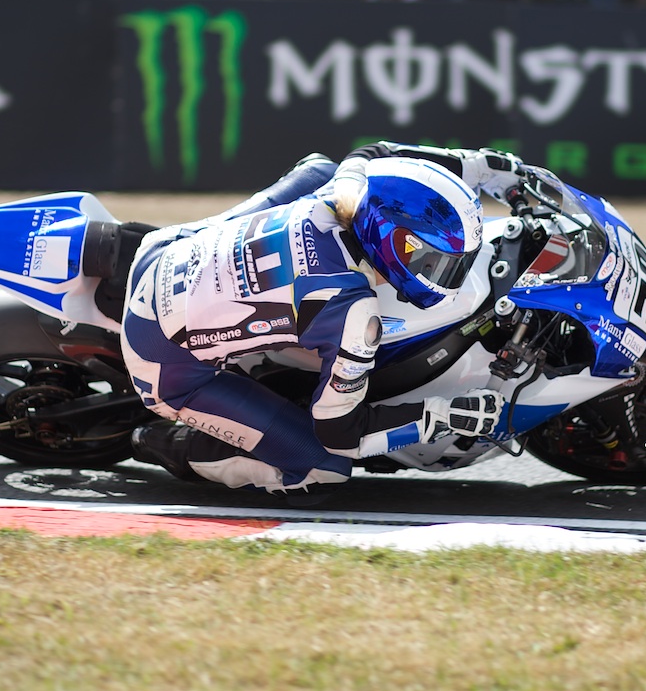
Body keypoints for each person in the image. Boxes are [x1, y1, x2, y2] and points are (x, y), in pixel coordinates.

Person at [125, 146, 513, 495]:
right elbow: (341, 436)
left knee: (318, 169)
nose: (445, 274)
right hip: (160, 360)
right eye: (435, 261)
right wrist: (438, 415)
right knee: (322, 466)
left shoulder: (346, 188)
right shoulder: (353, 313)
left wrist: (473, 163)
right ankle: (162, 441)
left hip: (159, 249)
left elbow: (374, 149)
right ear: (391, 239)